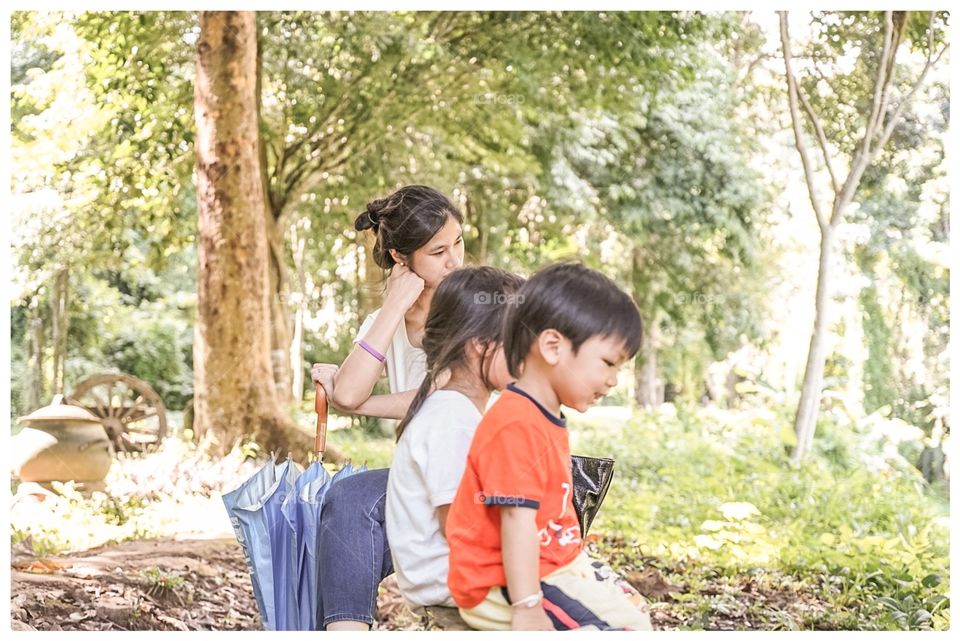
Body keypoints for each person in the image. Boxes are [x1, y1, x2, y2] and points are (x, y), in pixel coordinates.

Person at [445, 262, 653, 631]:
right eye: (608, 363)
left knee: (634, 614)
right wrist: (527, 606)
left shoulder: (540, 414)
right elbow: (517, 522)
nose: (613, 381)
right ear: (553, 346)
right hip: (504, 583)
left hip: (552, 563)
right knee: (624, 630)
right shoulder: (515, 424)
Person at [313, 185, 463, 631]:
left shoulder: (474, 303)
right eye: (438, 251)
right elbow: (347, 393)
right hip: (422, 477)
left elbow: (444, 396)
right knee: (347, 503)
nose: (455, 260)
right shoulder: (388, 320)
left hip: (481, 468)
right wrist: (395, 304)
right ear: (401, 258)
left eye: (457, 242)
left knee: (353, 523)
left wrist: (357, 402)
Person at [385, 266, 524, 609]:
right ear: (479, 345)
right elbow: (463, 530)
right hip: (455, 584)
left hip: (457, 578)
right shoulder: (451, 418)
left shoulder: (456, 411)